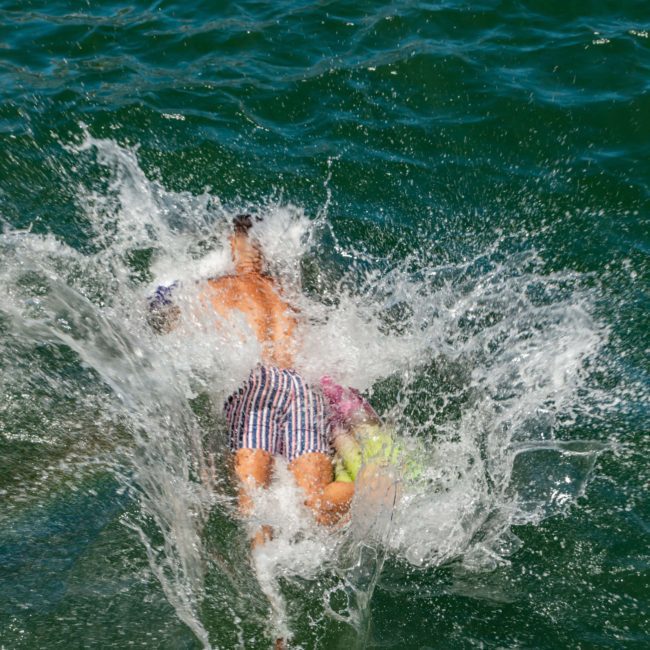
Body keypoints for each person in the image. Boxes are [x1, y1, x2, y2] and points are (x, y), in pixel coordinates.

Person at [150, 215, 355, 545]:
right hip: (302, 387)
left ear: (232, 248)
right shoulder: (287, 290)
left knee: (253, 503)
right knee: (316, 504)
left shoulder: (215, 288)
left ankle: (264, 576)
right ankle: (373, 485)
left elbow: (165, 319)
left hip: (255, 386)